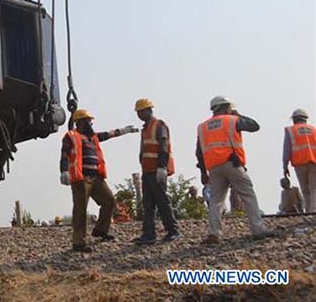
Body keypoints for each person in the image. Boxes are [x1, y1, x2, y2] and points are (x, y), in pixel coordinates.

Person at [59, 108, 139, 252]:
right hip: (81, 179)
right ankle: (78, 242)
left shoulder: (93, 137)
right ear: (80, 122)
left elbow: (108, 134)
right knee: (80, 210)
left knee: (109, 200)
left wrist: (125, 130)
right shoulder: (71, 136)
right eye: (88, 121)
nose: (91, 123)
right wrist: (64, 170)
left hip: (96, 177)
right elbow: (64, 153)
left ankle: (101, 230)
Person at [196, 96, 271, 244]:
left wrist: (203, 172)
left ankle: (214, 233)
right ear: (225, 107)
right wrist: (237, 114)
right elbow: (254, 126)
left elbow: (199, 152)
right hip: (231, 163)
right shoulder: (231, 120)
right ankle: (258, 230)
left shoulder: (203, 127)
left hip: (213, 168)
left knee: (216, 200)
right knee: (248, 194)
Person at [132, 98, 180, 245]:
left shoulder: (159, 125)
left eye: (142, 111)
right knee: (148, 204)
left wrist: (162, 167)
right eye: (138, 112)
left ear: (149, 110)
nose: (140, 114)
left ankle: (173, 231)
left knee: (162, 201)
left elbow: (163, 146)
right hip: (147, 171)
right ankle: (149, 234)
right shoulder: (145, 129)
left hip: (157, 170)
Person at [283, 108, 316, 212]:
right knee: (314, 188)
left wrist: (285, 166)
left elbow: (287, 150)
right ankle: (313, 211)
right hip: (313, 162)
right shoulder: (313, 130)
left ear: (294, 119)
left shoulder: (291, 130)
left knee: (305, 189)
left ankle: (308, 211)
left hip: (300, 163)